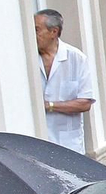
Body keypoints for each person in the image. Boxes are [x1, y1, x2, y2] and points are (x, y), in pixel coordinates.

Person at [34, 9, 96, 154]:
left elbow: (85, 103)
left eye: (37, 30)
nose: (33, 35)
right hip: (37, 142)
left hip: (69, 144)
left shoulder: (76, 58)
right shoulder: (27, 58)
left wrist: (49, 106)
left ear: (53, 32)